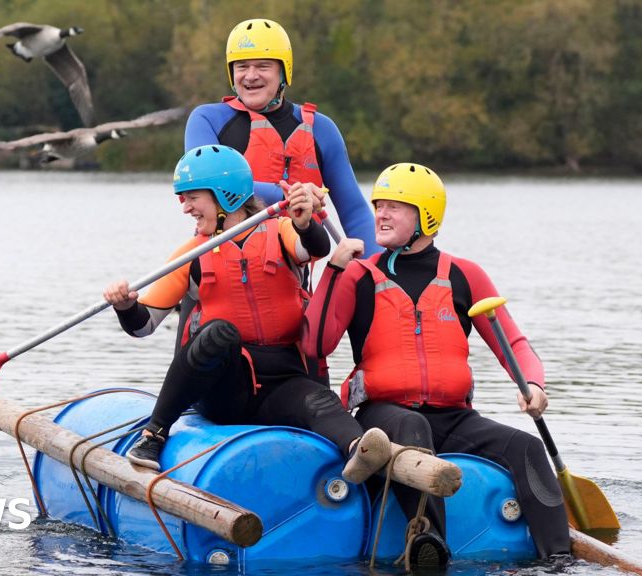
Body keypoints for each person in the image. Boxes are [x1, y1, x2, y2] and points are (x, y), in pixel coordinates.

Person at [303, 163, 572, 568]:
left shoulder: (465, 275)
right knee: (415, 428)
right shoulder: (357, 274)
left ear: (426, 215)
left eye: (395, 206)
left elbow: (512, 342)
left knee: (527, 446)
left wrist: (533, 384)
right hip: (386, 417)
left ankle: (561, 560)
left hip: (455, 418)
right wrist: (335, 270)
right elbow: (313, 344)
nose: (381, 214)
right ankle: (429, 544)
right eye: (379, 205)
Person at [103, 144, 391, 485]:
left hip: (284, 382)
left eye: (192, 197)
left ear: (225, 195)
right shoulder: (191, 253)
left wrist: (304, 222)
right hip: (226, 390)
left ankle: (360, 450)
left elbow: (315, 247)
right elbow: (143, 325)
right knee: (219, 332)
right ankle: (154, 435)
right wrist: (125, 306)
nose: (185, 208)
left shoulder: (282, 230)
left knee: (320, 399)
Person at [184, 18, 378, 255]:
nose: (250, 76)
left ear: (284, 71)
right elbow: (208, 181)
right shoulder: (207, 120)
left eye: (263, 66)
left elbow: (355, 212)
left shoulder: (322, 130)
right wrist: (290, 194)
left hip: (292, 273)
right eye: (242, 66)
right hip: (220, 264)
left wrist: (377, 272)